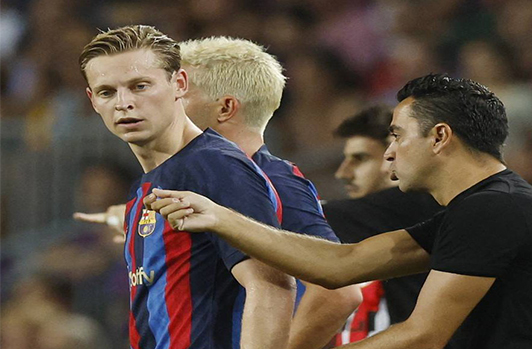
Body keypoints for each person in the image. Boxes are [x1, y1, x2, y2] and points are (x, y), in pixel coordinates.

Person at [147, 73, 532, 348]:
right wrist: (222, 217)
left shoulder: (496, 209)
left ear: (440, 137)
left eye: (396, 136)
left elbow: (422, 336)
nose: (389, 153)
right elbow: (342, 265)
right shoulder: (475, 210)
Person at [76, 36, 362, 349]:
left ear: (224, 107)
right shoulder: (172, 176)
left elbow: (335, 291)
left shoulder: (266, 176)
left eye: (146, 86)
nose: (172, 97)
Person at [325, 106, 442, 343]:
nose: (343, 173)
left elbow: (307, 216)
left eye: (360, 159)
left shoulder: (418, 205)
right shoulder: (363, 223)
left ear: (393, 153)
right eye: (345, 159)